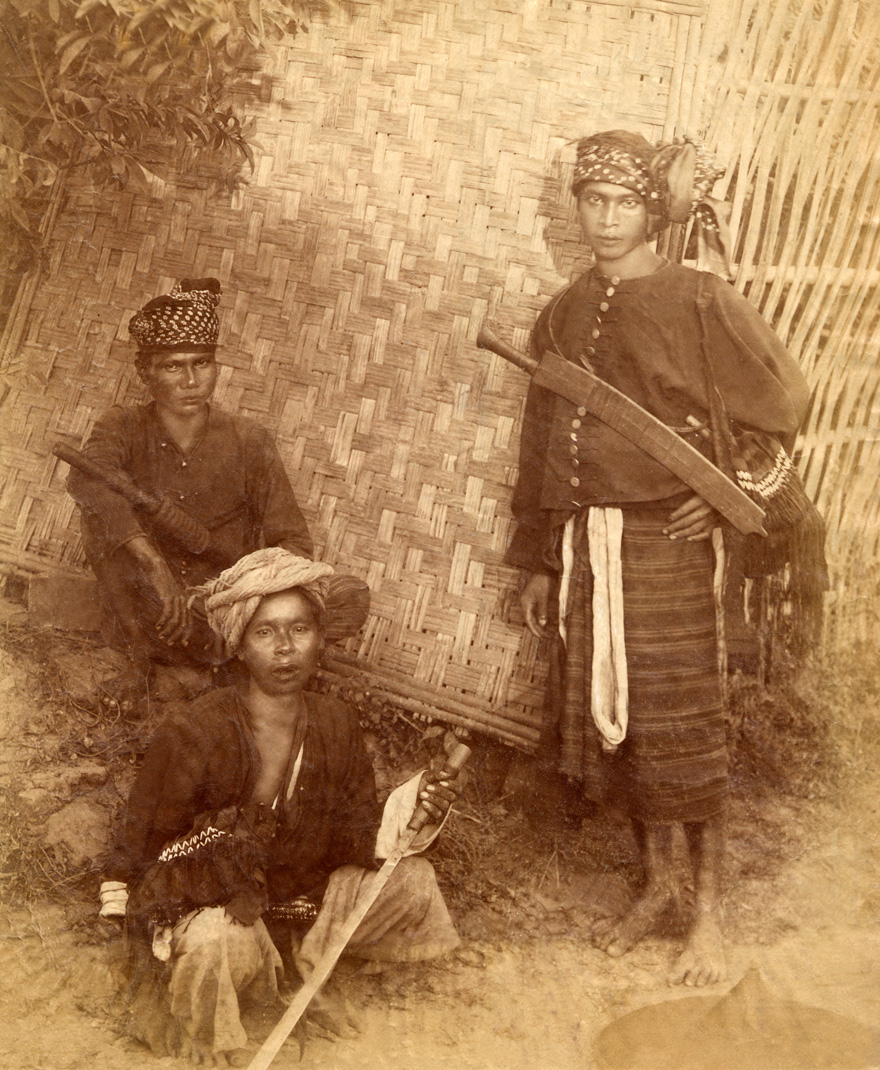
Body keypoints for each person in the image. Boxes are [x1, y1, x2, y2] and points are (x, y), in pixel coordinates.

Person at [505, 130, 811, 987]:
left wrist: (722, 490)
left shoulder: (699, 299)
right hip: (585, 549)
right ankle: (658, 885)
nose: (606, 221)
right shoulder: (563, 310)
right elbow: (541, 439)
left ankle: (708, 918)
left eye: (624, 205)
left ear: (654, 212)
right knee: (627, 722)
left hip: (669, 547)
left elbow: (785, 399)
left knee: (683, 724)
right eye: (592, 203)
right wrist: (537, 557)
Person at [98, 548, 462, 1066]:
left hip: (303, 910)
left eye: (299, 630)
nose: (286, 649)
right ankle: (217, 1036)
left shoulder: (336, 723)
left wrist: (416, 807)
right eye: (265, 633)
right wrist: (139, 907)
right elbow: (148, 842)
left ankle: (309, 977)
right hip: (220, 908)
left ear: (319, 639)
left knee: (413, 879)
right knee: (213, 945)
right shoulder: (197, 729)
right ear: (240, 647)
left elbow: (356, 832)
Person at [66, 278, 313, 702]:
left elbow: (292, 540)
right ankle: (141, 664)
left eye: (202, 363)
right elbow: (86, 478)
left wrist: (244, 590)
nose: (191, 380)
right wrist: (154, 567)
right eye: (173, 366)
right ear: (145, 372)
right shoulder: (122, 425)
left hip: (218, 609)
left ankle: (203, 677)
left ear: (217, 367)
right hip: (144, 606)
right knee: (99, 508)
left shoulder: (248, 440)